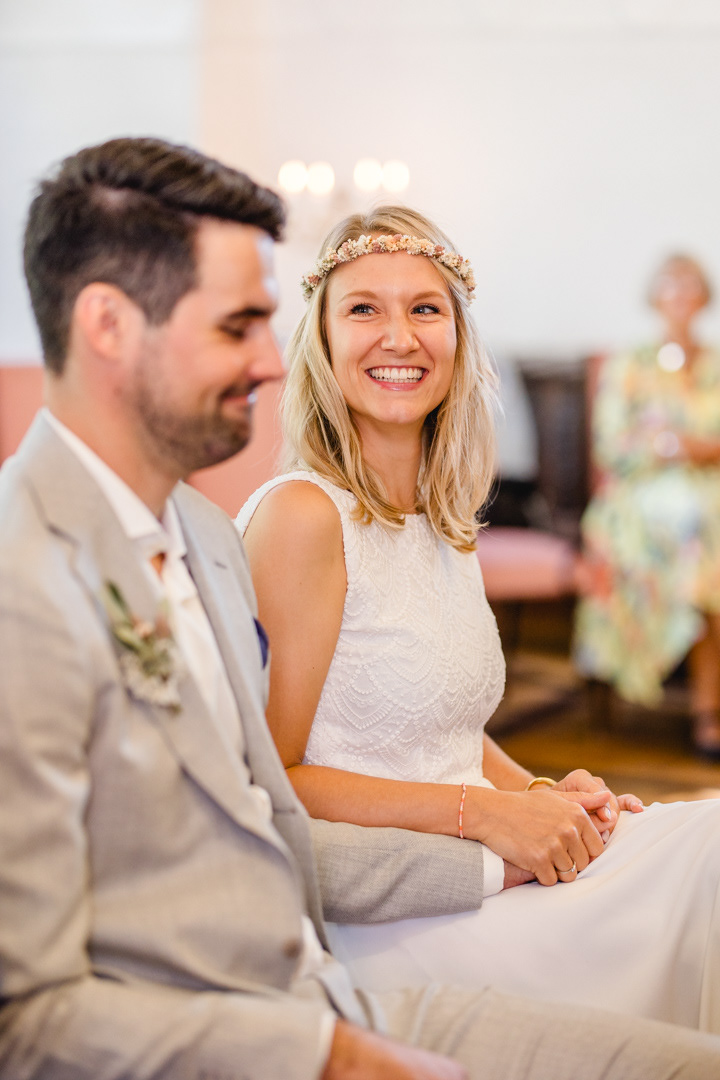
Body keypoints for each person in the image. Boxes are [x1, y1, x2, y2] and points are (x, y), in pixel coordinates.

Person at [4, 140, 716, 1080]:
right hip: (329, 959)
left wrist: (538, 799)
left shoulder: (203, 532)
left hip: (338, 940)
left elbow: (404, 740)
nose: (271, 358)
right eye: (240, 324)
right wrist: (484, 834)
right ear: (107, 323)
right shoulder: (53, 573)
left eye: (425, 309)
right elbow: (270, 795)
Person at [238, 207, 720, 1035]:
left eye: (425, 308)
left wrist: (541, 794)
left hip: (489, 857)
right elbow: (271, 777)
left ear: (458, 337)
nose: (400, 336)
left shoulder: (444, 518)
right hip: (402, 916)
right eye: (364, 308)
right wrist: (488, 815)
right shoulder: (303, 519)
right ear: (321, 338)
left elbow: (450, 735)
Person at [574, 254, 720, 756]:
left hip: (709, 489)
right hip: (643, 493)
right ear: (655, 297)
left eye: (689, 284)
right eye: (670, 284)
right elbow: (612, 445)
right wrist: (673, 446)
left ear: (703, 296)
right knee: (694, 529)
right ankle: (707, 710)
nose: (680, 294)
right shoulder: (631, 363)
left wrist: (695, 446)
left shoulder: (715, 363)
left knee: (704, 521)